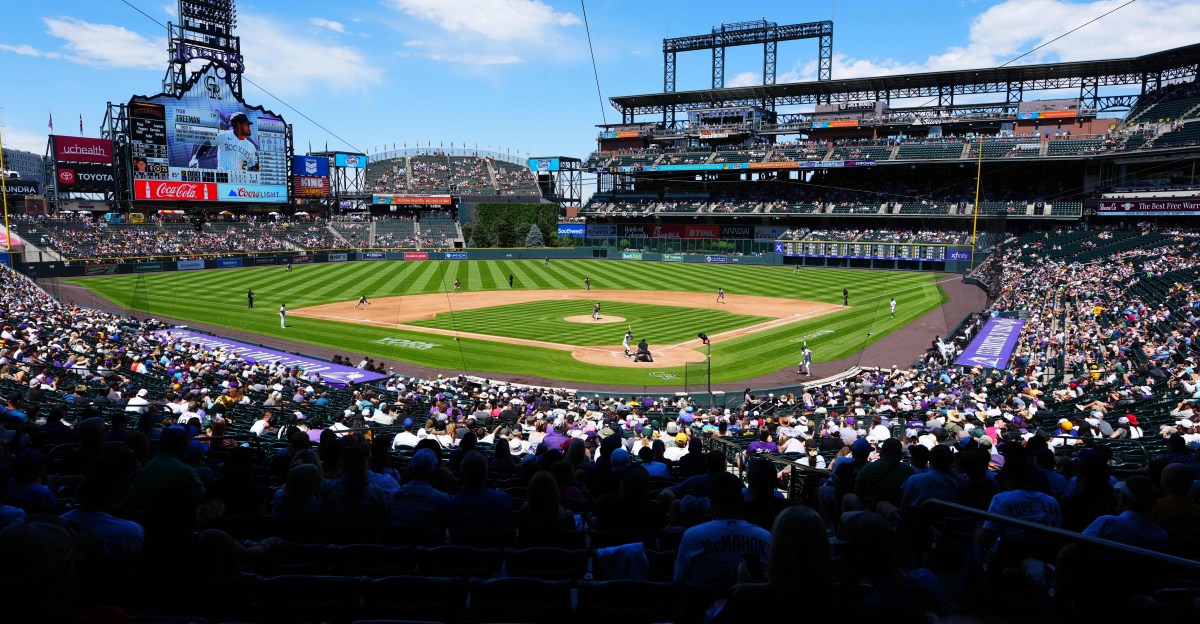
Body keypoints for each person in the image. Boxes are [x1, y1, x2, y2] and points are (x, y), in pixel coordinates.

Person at [187, 111, 258, 172]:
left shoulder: (251, 146)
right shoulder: (224, 135)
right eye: (247, 124)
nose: (249, 127)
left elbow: (254, 166)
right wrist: (195, 158)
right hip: (223, 180)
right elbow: (208, 142)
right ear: (239, 124)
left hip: (240, 183)